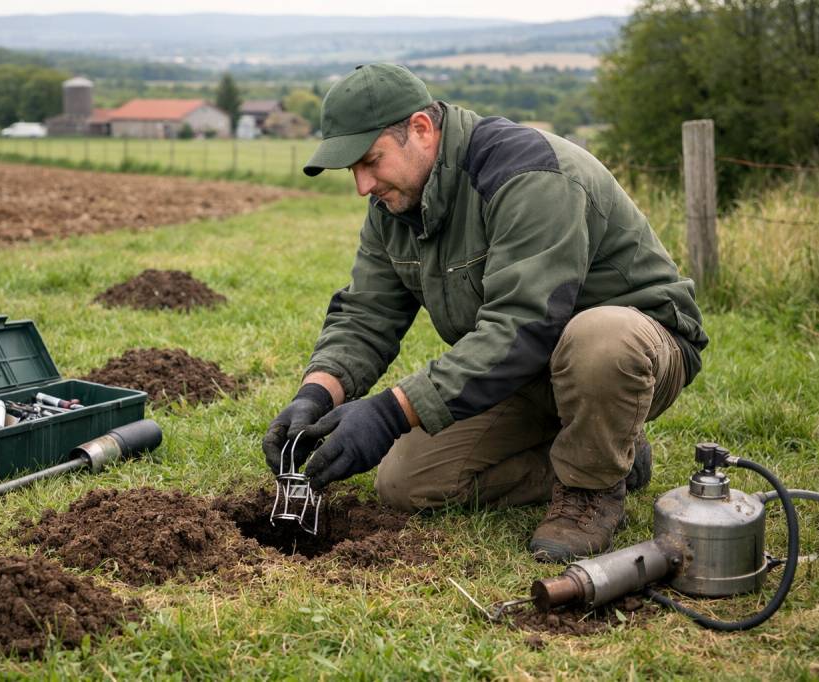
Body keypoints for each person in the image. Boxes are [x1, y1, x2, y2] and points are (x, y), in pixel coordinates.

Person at [262, 63, 707, 562]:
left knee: (601, 335)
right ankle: (613, 453)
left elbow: (523, 326)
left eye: (371, 161)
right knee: (405, 482)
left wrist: (388, 412)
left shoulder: (526, 175)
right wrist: (316, 396)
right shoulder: (394, 206)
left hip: (633, 353)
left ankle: (592, 488)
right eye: (353, 170)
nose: (362, 186)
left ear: (421, 130)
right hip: (523, 373)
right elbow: (367, 313)